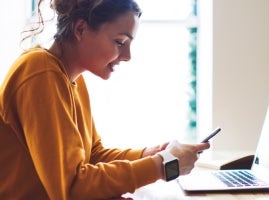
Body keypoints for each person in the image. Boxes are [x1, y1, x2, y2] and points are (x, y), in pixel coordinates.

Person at [0, 0, 210, 199]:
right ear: (80, 29)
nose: (128, 55)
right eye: (120, 42)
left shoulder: (72, 80)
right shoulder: (40, 71)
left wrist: (150, 154)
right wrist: (162, 165)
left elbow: (93, 155)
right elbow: (72, 187)